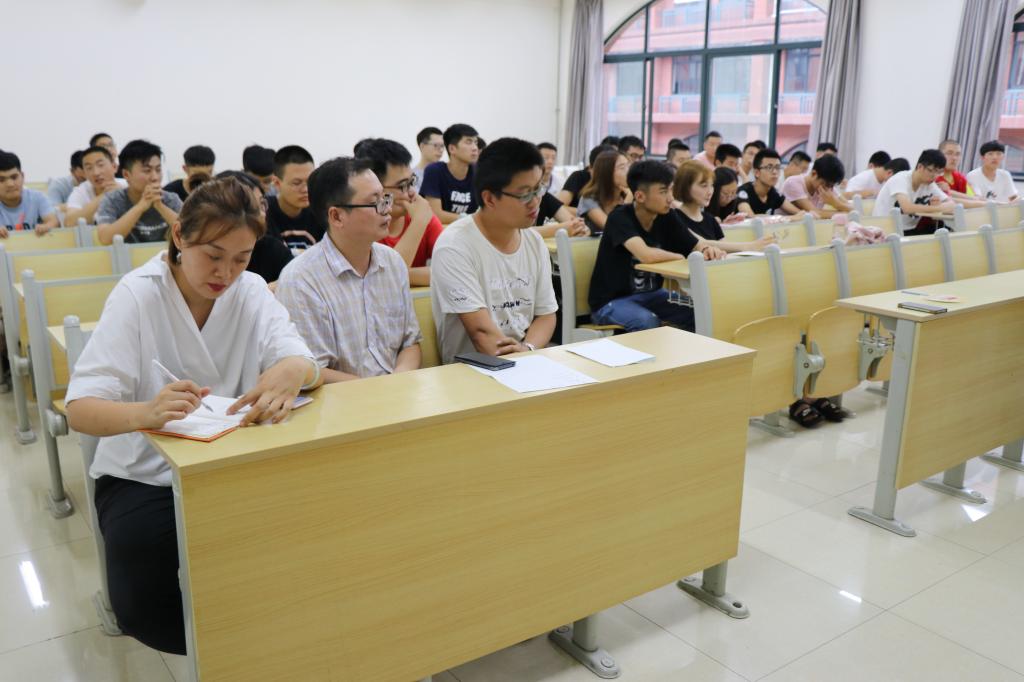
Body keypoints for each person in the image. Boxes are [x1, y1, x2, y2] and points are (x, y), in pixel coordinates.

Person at [64, 177, 322, 656]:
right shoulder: (139, 294)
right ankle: (216, 655)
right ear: (180, 236)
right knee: (146, 603)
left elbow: (301, 360)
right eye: (213, 255)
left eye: (241, 258)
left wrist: (293, 368)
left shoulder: (250, 291)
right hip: (145, 475)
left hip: (234, 461)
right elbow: (79, 409)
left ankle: (274, 640)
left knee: (300, 541)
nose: (226, 273)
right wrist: (146, 412)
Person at [276, 157, 421, 380]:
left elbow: (410, 343)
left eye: (385, 197)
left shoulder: (392, 262)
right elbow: (310, 371)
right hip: (339, 399)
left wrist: (398, 379)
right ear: (336, 216)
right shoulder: (301, 279)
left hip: (396, 390)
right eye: (374, 202)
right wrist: (380, 389)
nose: (387, 209)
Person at [430, 138, 558, 365]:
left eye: (538, 189)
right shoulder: (455, 246)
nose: (535, 201)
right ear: (489, 198)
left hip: (525, 361)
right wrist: (522, 358)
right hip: (472, 371)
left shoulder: (534, 241)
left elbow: (546, 314)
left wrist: (528, 349)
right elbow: (483, 336)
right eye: (525, 194)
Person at [588, 160, 726, 333]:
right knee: (647, 321)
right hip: (611, 302)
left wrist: (706, 250)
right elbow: (646, 255)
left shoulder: (667, 215)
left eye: (670, 190)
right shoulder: (619, 217)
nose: (670, 198)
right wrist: (679, 256)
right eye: (663, 192)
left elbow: (695, 245)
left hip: (653, 295)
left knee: (701, 311)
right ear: (640, 196)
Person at [355, 138, 443, 287]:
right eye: (402, 186)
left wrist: (404, 273)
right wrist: (419, 223)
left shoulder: (420, 214)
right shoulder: (360, 226)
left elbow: (455, 269)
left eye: (411, 182)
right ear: (375, 189)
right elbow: (384, 281)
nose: (412, 192)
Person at [672, 161, 774, 252]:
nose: (710, 191)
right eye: (704, 186)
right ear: (685, 187)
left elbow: (724, 249)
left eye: (711, 185)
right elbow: (700, 243)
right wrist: (749, 246)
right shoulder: (674, 217)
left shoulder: (710, 220)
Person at [213, 170, 294, 285]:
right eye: (251, 207)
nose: (262, 214)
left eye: (261, 204)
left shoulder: (271, 248)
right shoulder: (206, 253)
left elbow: (296, 278)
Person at [95, 140, 183, 245]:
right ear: (126, 174)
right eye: (147, 171)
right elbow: (105, 239)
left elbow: (190, 234)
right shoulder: (112, 200)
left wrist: (160, 206)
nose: (155, 177)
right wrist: (141, 206)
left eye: (158, 170)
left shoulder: (171, 199)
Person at [874, 149, 959, 235]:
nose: (935, 176)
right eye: (931, 171)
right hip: (884, 230)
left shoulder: (930, 184)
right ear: (920, 167)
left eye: (939, 172)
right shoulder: (900, 179)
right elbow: (907, 208)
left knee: (942, 235)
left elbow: (951, 204)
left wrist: (940, 206)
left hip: (908, 230)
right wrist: (938, 208)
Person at [421, 123, 480, 223]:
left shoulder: (478, 172)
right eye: (468, 142)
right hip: (442, 230)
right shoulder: (434, 171)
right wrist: (469, 219)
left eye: (475, 142)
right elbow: (435, 214)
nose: (475, 148)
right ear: (452, 149)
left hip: (468, 229)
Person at [267, 145, 321, 250]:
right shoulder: (264, 213)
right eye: (297, 183)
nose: (306, 189)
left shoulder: (319, 213)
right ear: (277, 183)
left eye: (310, 181)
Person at [0, 150, 58, 237]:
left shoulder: (38, 197)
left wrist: (46, 226)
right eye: (1, 180)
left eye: (14, 177)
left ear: (22, 176)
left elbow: (53, 221)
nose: (10, 184)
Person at [64, 146, 128, 225]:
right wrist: (104, 195)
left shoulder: (127, 186)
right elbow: (69, 222)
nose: (96, 173)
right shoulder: (81, 191)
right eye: (89, 168)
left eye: (100, 165)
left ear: (114, 167)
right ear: (84, 173)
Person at [737, 148, 805, 218]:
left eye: (777, 167)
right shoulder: (743, 192)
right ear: (757, 172)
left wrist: (805, 214)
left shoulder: (773, 193)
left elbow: (799, 213)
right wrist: (787, 218)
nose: (775, 172)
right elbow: (750, 218)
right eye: (769, 167)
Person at [576, 151, 632, 235]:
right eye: (622, 167)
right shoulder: (589, 198)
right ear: (607, 173)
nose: (628, 171)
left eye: (628, 166)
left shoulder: (627, 195)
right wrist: (628, 201)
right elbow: (613, 228)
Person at [782, 154, 851, 217]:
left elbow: (852, 208)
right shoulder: (793, 183)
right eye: (827, 184)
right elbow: (815, 213)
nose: (829, 189)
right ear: (814, 174)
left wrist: (836, 203)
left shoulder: (827, 186)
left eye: (832, 186)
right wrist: (843, 211)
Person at [557, 143, 615, 211]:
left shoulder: (617, 181)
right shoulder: (578, 177)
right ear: (591, 168)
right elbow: (559, 206)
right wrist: (585, 212)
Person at [412, 126, 444, 192]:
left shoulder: (446, 174)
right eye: (436, 145)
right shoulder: (412, 177)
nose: (441, 150)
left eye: (442, 146)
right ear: (422, 146)